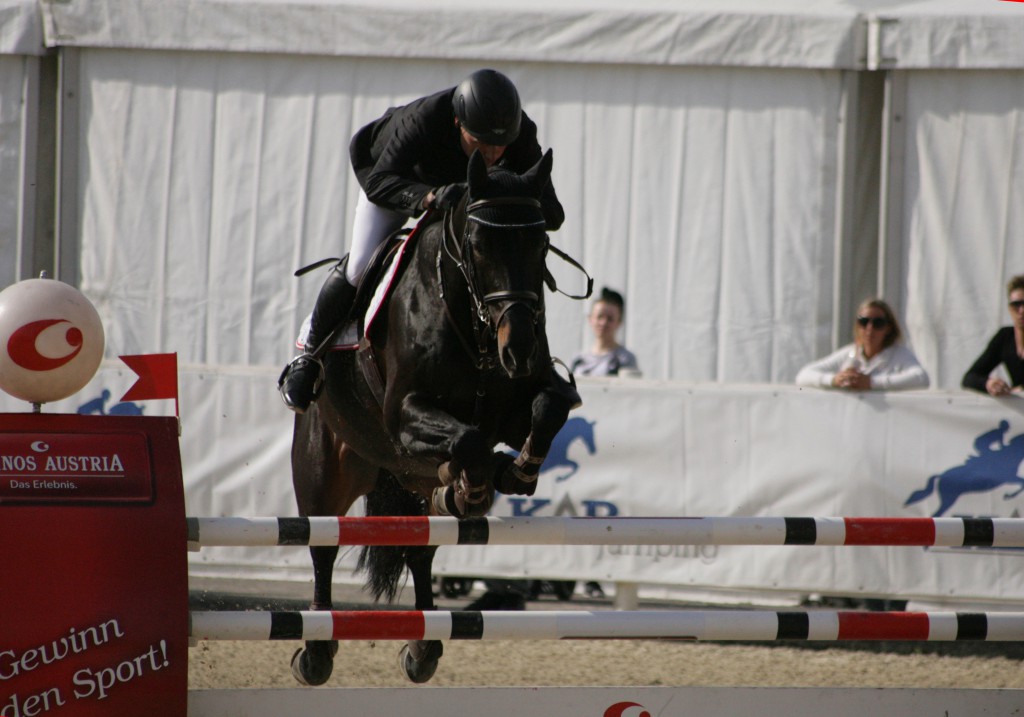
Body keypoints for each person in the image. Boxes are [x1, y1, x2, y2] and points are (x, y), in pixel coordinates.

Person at [278, 68, 565, 412]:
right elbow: (379, 183)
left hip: (464, 198)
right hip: (399, 182)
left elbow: (553, 213)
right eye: (481, 142)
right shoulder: (423, 121)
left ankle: (539, 369)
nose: (491, 154)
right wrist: (428, 198)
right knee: (359, 265)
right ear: (459, 122)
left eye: (499, 146)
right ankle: (308, 356)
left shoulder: (518, 132)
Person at [795, 298, 929, 391]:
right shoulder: (849, 353)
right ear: (858, 326)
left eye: (878, 323)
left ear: (888, 328)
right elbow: (803, 375)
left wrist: (871, 382)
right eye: (864, 322)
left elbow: (921, 379)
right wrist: (834, 380)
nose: (870, 329)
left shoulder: (899, 354)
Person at [962, 274, 1024, 396]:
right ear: (1009, 308)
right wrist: (989, 383)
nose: (1021, 310)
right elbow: (969, 378)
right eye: (1016, 305)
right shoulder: (1005, 337)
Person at [569, 287, 640, 377]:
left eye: (610, 319)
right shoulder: (577, 361)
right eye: (599, 317)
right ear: (590, 319)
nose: (603, 323)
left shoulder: (625, 359)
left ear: (619, 322)